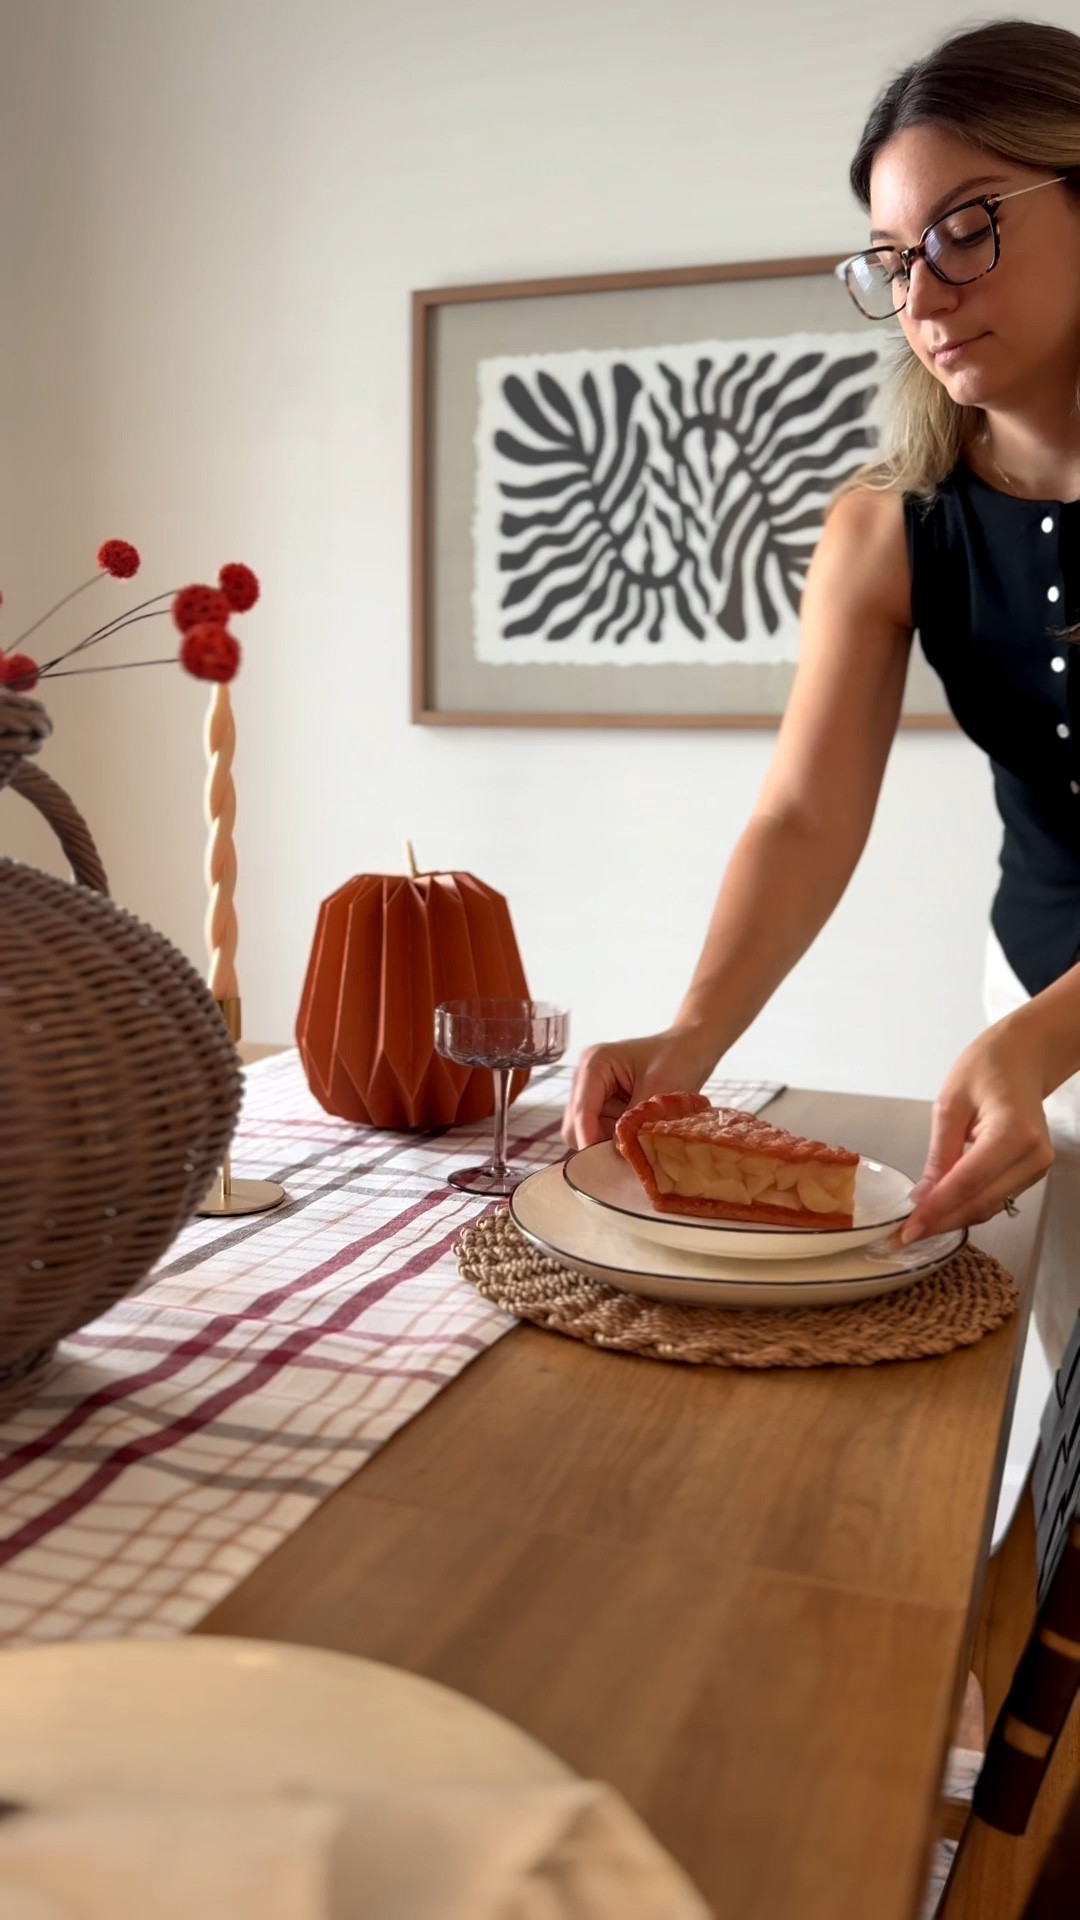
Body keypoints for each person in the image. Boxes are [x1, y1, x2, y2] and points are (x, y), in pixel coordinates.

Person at [562, 18, 1080, 1360]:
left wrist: (1042, 1041)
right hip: (1034, 1020)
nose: (924, 292)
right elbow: (803, 816)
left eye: (969, 229)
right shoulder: (884, 528)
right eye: (896, 259)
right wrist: (692, 1036)